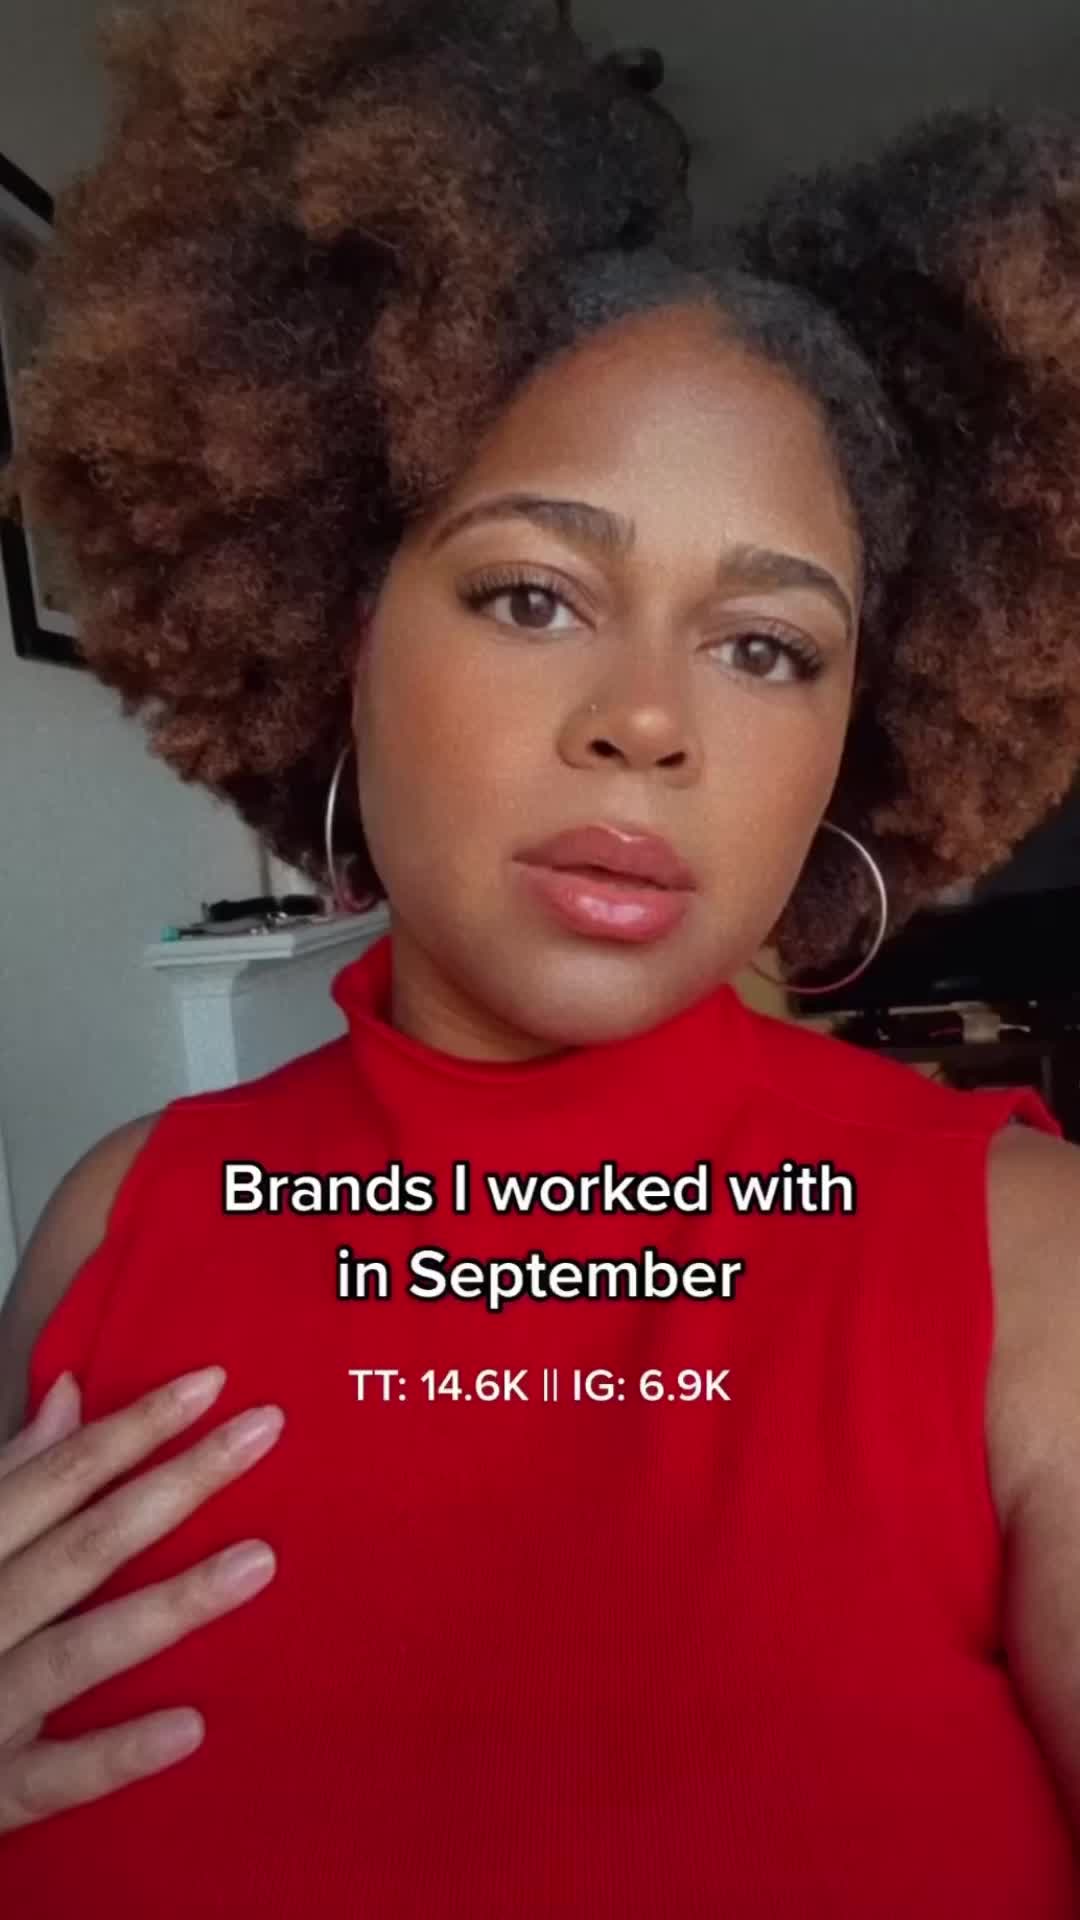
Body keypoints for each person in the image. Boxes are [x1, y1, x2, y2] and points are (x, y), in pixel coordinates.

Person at [1, 0, 1079, 1911]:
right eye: (531, 595)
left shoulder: (1028, 1267)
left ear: (857, 727)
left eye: (767, 646)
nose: (647, 722)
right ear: (343, 628)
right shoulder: (118, 1225)